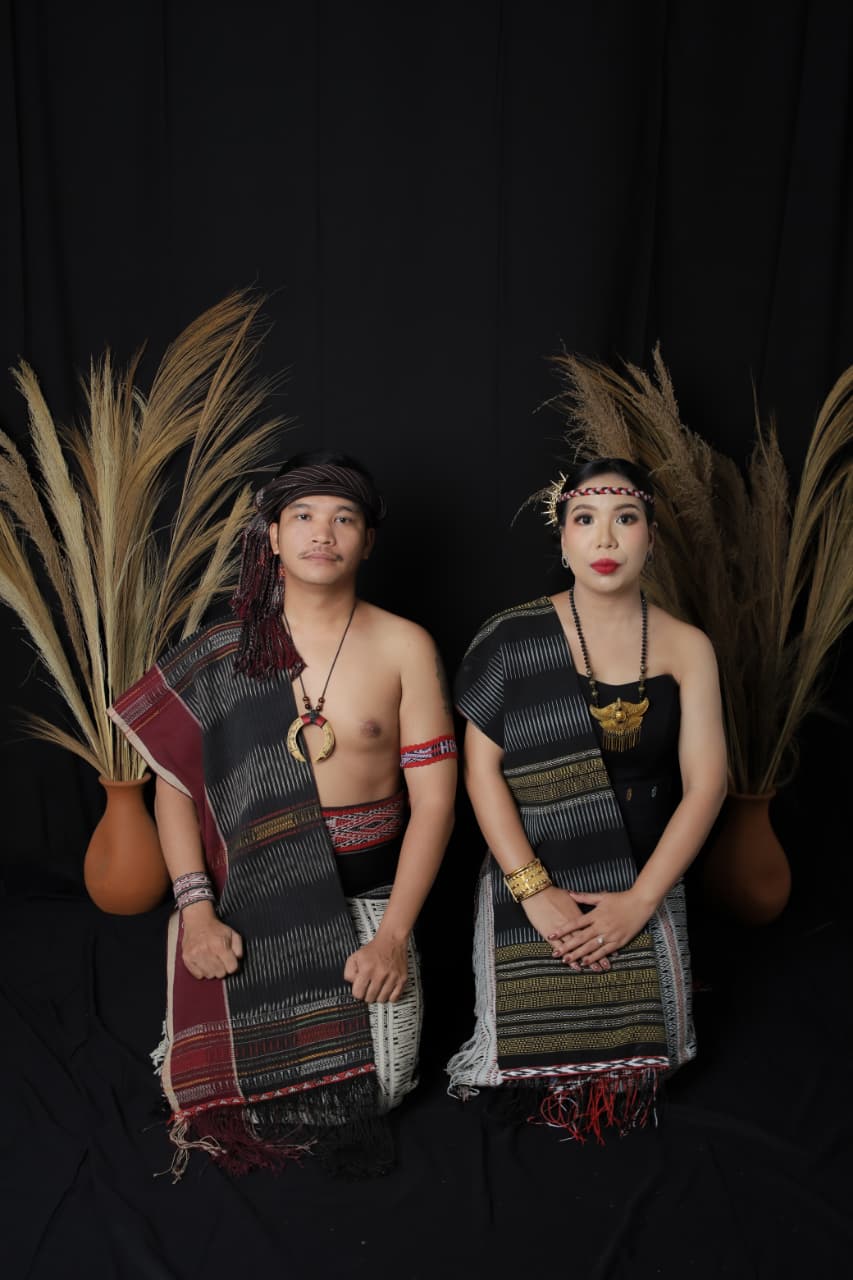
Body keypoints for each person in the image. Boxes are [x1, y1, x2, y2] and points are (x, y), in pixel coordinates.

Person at [110, 451, 456, 1176]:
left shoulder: (404, 645)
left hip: (368, 902)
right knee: (200, 1093)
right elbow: (174, 789)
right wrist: (197, 911)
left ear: (367, 541)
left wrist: (393, 937)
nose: (321, 533)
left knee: (384, 1089)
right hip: (246, 899)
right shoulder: (223, 650)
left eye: (343, 518)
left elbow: (434, 802)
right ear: (271, 536)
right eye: (302, 515)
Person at [447, 457, 726, 1139]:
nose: (605, 539)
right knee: (528, 1075)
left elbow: (707, 785)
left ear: (650, 538)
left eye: (625, 519)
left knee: (648, 1067)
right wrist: (534, 891)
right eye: (585, 519)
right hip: (534, 867)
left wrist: (639, 901)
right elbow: (481, 773)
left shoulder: (687, 647)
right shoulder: (510, 638)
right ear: (564, 538)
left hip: (646, 872)